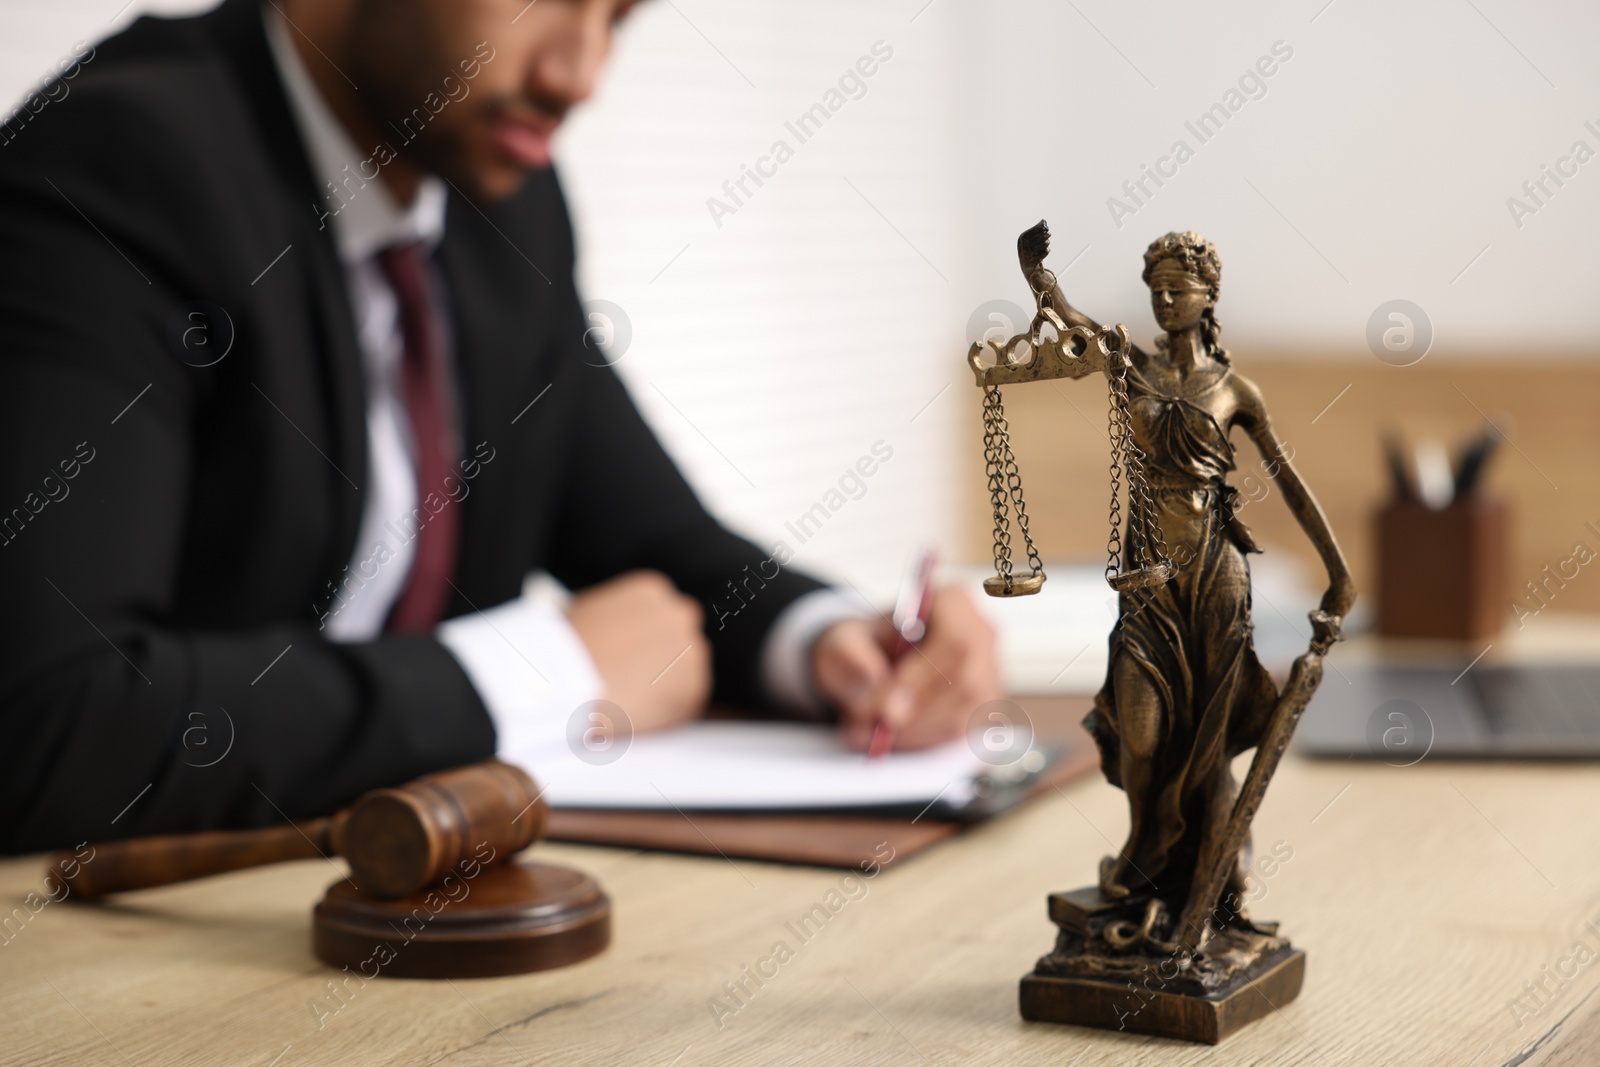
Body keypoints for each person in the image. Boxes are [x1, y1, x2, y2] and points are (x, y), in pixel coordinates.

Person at [0, 0, 1000, 854]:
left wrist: (838, 643)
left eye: (617, 14)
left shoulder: (498, 202)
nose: (581, 71)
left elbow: (656, 548)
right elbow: (50, 718)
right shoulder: (116, 166)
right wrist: (543, 675)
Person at [1014, 223, 1354, 925]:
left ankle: (1204, 885)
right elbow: (1071, 322)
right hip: (1147, 580)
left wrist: (1338, 570)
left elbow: (1287, 480)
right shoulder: (1132, 365)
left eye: (1179, 289)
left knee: (1207, 740)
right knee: (1140, 735)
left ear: (1208, 296)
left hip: (1213, 574)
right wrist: (1037, 275)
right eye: (1156, 290)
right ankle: (1146, 861)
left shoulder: (1235, 389)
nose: (1165, 300)